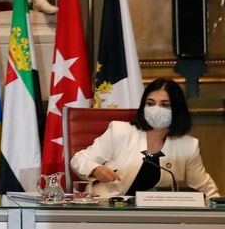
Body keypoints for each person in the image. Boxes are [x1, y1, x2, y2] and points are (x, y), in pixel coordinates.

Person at [70, 79, 218, 198]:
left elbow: (204, 188)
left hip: (155, 218)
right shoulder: (120, 132)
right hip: (108, 208)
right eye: (150, 103)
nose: (156, 109)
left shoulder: (188, 146)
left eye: (165, 105)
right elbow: (78, 160)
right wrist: (95, 169)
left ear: (177, 110)